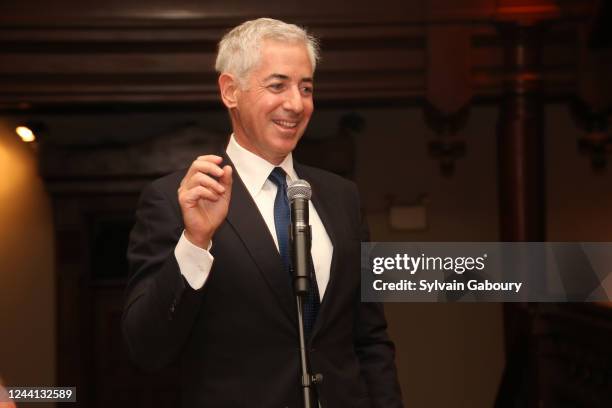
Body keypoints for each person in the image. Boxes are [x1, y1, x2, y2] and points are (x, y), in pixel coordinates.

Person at [123, 17, 403, 407]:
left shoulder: (342, 197)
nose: (296, 103)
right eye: (278, 85)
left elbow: (370, 339)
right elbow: (147, 347)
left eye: (306, 87)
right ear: (230, 91)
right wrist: (195, 242)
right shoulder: (174, 200)